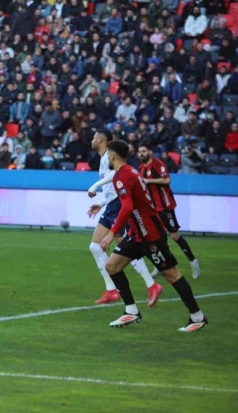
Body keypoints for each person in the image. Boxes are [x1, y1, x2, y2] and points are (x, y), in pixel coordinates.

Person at [100, 140, 207, 332]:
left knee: (171, 275)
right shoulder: (131, 171)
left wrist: (111, 234)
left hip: (150, 235)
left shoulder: (123, 176)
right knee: (111, 266)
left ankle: (197, 317)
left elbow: (127, 207)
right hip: (137, 235)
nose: (107, 156)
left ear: (113, 155)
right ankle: (131, 311)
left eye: (108, 153)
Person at [87, 130, 162, 305]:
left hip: (118, 207)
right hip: (111, 206)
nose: (91, 140)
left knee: (125, 248)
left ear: (99, 139)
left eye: (93, 137)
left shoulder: (109, 157)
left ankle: (151, 286)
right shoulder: (104, 157)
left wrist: (95, 185)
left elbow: (114, 175)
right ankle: (111, 290)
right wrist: (102, 203)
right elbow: (112, 187)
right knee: (95, 247)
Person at [137, 143, 201, 279]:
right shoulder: (140, 168)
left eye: (144, 151)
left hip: (165, 206)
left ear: (150, 151)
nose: (141, 154)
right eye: (139, 152)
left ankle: (193, 261)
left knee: (175, 236)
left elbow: (167, 180)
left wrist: (149, 181)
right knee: (157, 238)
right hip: (152, 209)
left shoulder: (157, 164)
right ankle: (160, 265)